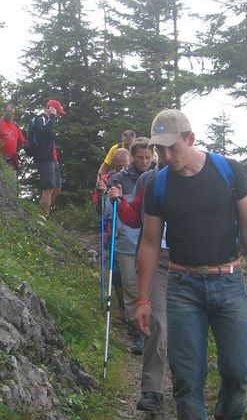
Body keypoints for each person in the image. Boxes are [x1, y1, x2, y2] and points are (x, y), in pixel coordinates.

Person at [136, 109, 247, 420]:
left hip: (229, 281)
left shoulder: (228, 171)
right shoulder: (158, 184)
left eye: (173, 147)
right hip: (182, 287)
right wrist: (143, 299)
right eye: (160, 149)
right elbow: (150, 242)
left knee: (239, 371)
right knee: (186, 379)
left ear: (191, 138)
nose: (166, 156)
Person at [106, 149, 169, 412]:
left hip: (189, 259)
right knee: (157, 321)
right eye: (161, 147)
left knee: (183, 324)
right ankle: (153, 390)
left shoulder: (197, 177)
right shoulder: (148, 180)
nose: (167, 152)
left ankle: (188, 387)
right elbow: (133, 217)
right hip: (157, 257)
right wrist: (121, 201)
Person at [100, 137, 155, 356]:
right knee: (132, 287)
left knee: (153, 287)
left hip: (152, 241)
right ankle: (137, 331)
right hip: (126, 241)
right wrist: (110, 198)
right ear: (133, 156)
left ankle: (154, 330)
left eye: (148, 157)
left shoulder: (158, 177)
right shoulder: (119, 178)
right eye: (140, 157)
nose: (144, 161)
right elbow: (107, 210)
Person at [93, 148, 130, 319]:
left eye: (125, 165)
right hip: (113, 231)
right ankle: (122, 305)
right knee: (116, 271)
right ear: (113, 163)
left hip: (131, 232)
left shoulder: (134, 179)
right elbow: (100, 209)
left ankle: (130, 305)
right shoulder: (107, 180)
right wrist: (102, 193)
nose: (122, 168)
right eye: (119, 165)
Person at [32, 99, 66, 219]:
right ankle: (43, 216)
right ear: (51, 108)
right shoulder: (41, 118)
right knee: (49, 186)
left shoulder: (48, 120)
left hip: (52, 158)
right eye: (58, 112)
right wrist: (51, 116)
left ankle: (45, 214)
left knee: (57, 187)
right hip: (44, 158)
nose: (58, 116)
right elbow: (45, 133)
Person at [0, 103, 27, 171]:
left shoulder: (16, 126)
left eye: (12, 113)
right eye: (9, 112)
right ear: (4, 112)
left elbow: (23, 142)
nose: (10, 115)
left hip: (11, 162)